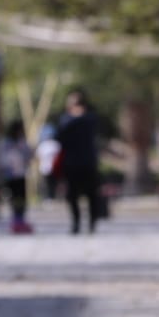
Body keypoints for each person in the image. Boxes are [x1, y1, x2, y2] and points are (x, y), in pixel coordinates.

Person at [54, 90, 104, 233]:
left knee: (91, 194)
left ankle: (92, 222)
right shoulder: (66, 120)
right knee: (72, 195)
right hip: (72, 163)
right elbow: (59, 138)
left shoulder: (89, 118)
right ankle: (76, 222)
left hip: (87, 162)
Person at [0, 119, 35, 234]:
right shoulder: (6, 143)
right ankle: (16, 221)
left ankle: (20, 220)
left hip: (20, 175)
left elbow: (29, 155)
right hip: (10, 176)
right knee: (13, 199)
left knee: (22, 199)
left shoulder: (21, 142)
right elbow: (2, 160)